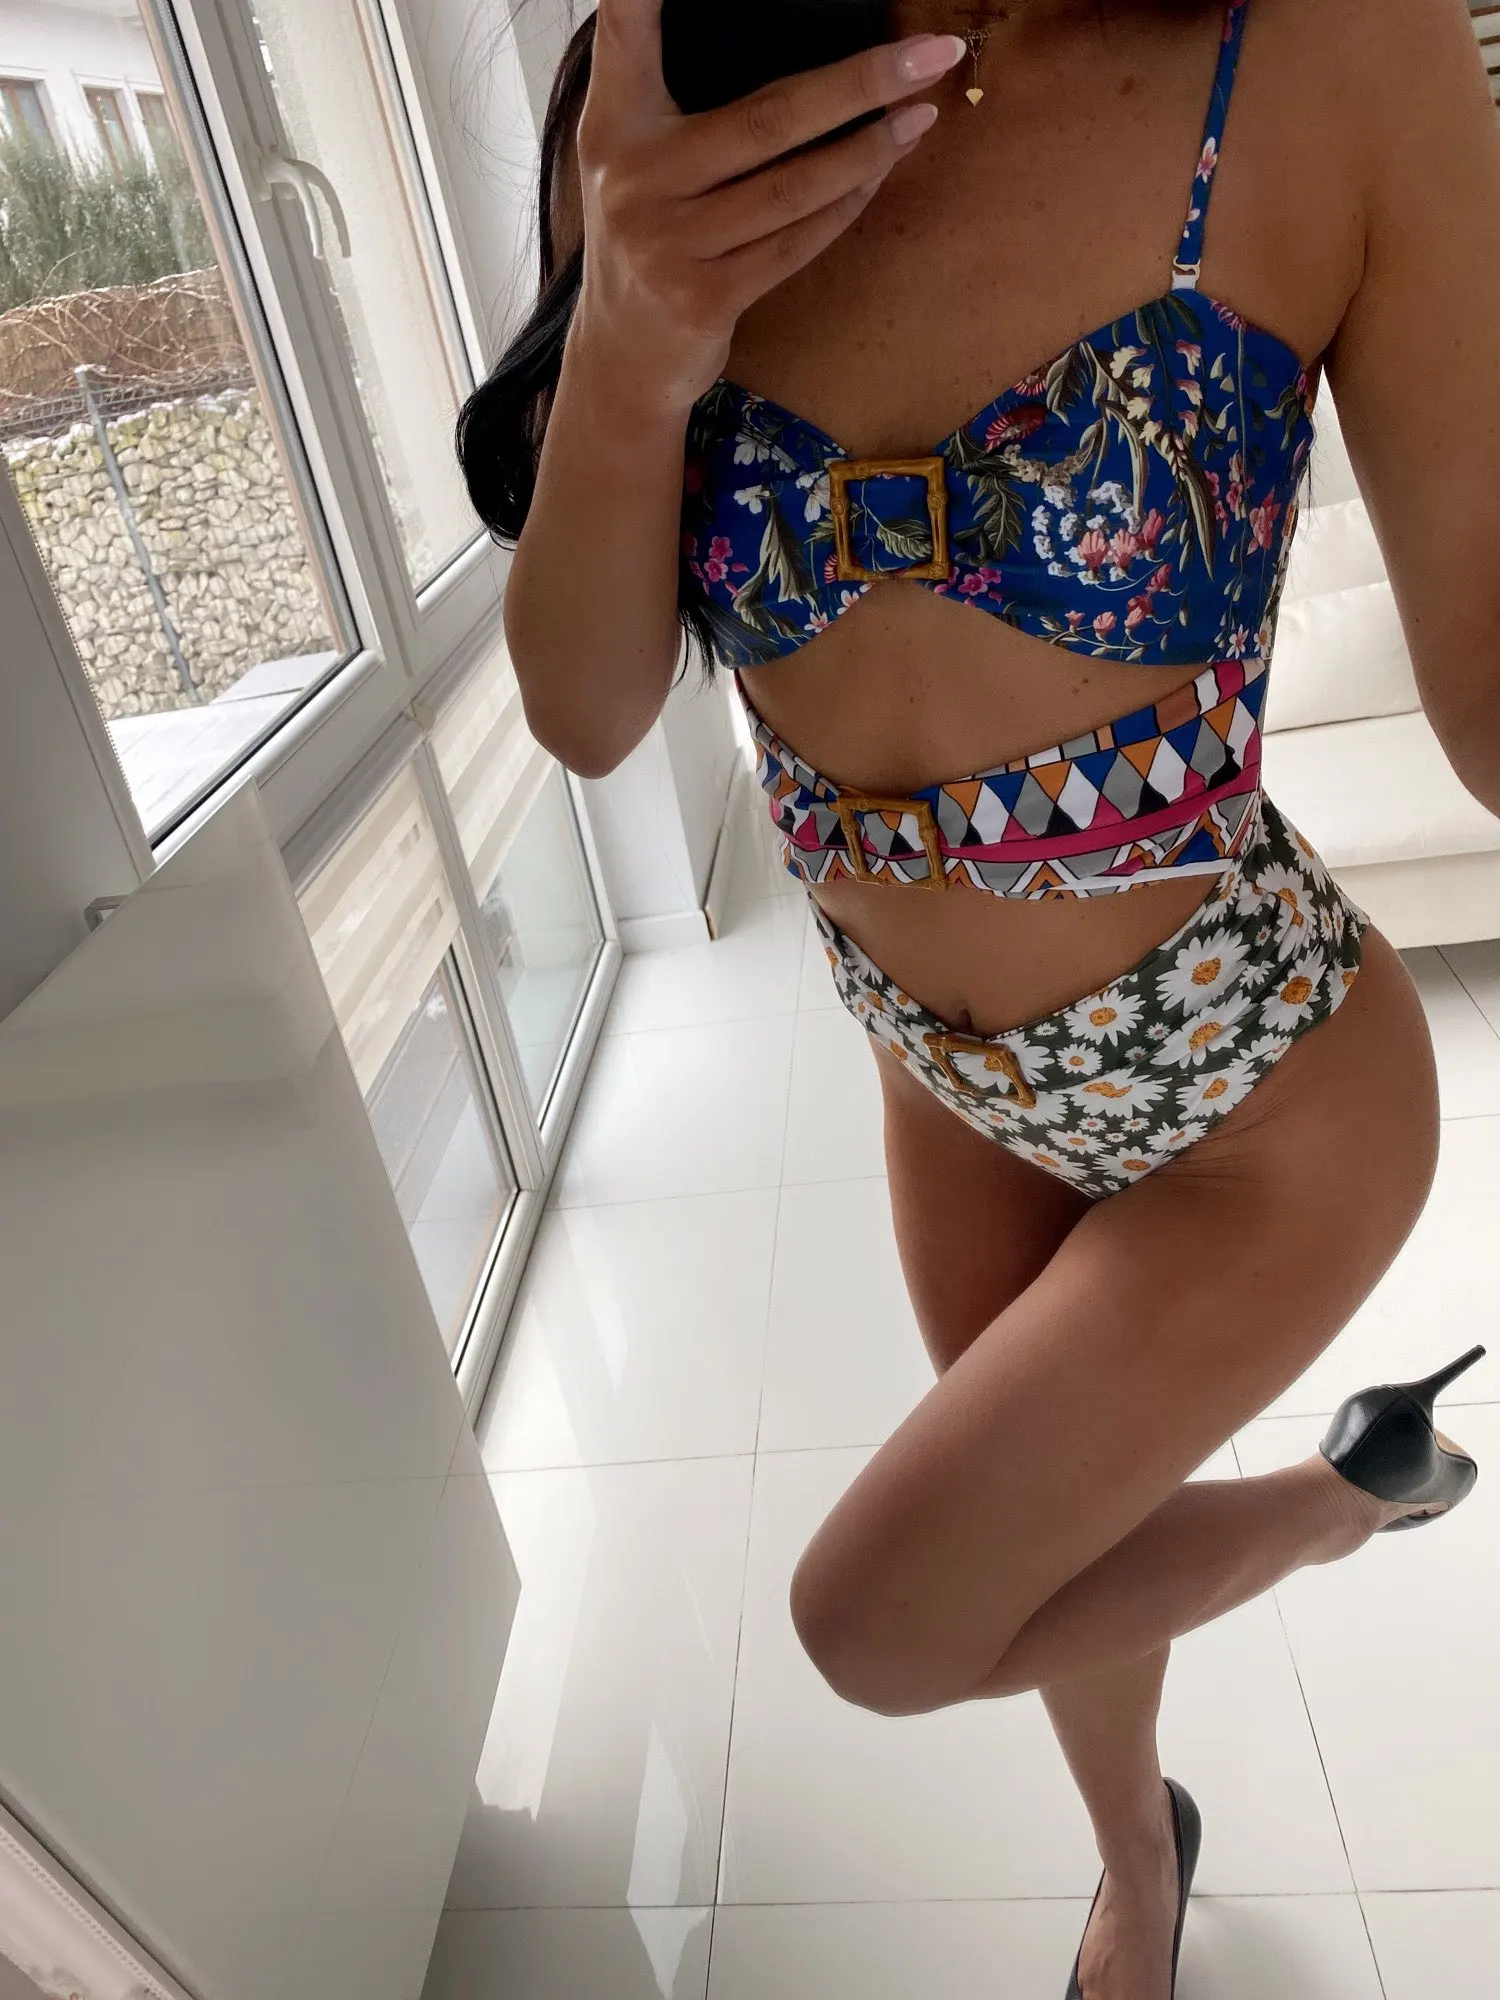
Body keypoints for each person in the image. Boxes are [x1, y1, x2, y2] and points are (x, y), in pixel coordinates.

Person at [458, 1, 1499, 1991]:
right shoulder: (665, 72)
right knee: (1057, 1556)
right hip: (943, 1077)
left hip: (1264, 1094)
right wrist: (629, 359)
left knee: (889, 1623)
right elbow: (585, 713)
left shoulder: (1330, 45)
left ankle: (1325, 1508)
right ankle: (1140, 1858)